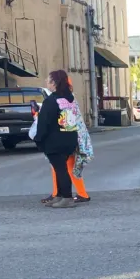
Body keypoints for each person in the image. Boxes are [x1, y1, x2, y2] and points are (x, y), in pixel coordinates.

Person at [34, 70, 87, 209]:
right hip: (69, 137)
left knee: (60, 169)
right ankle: (59, 196)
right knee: (60, 168)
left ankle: (67, 198)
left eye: (48, 81)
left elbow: (44, 123)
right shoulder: (69, 99)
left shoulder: (51, 101)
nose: (46, 83)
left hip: (54, 141)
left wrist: (38, 139)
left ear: (54, 83)